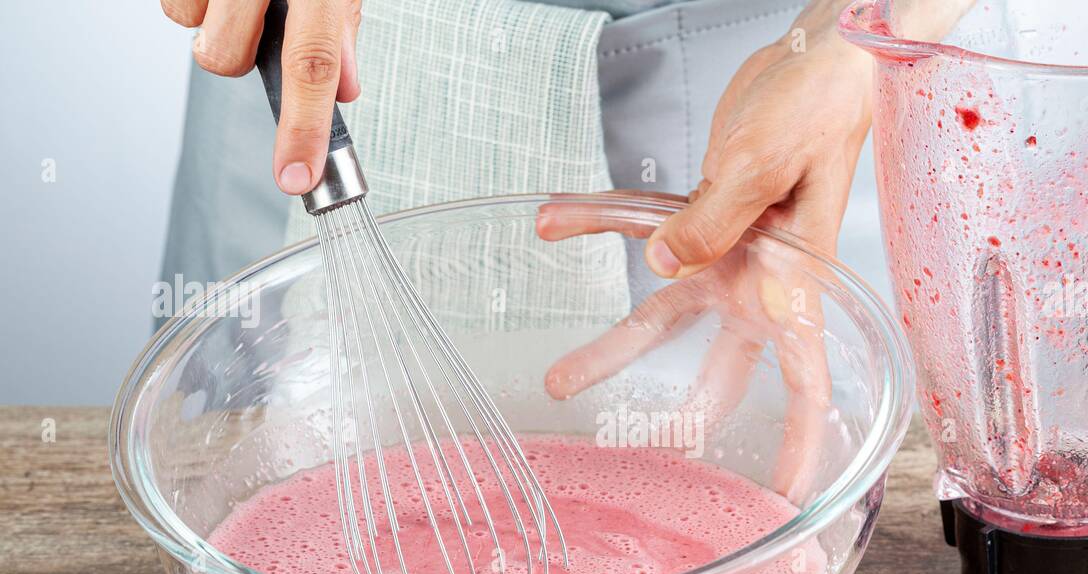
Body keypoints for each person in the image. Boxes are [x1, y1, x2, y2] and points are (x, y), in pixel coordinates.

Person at [159, 0, 967, 499]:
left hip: (785, 85)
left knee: (790, 449)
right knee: (246, 458)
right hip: (317, 65)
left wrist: (862, 30)